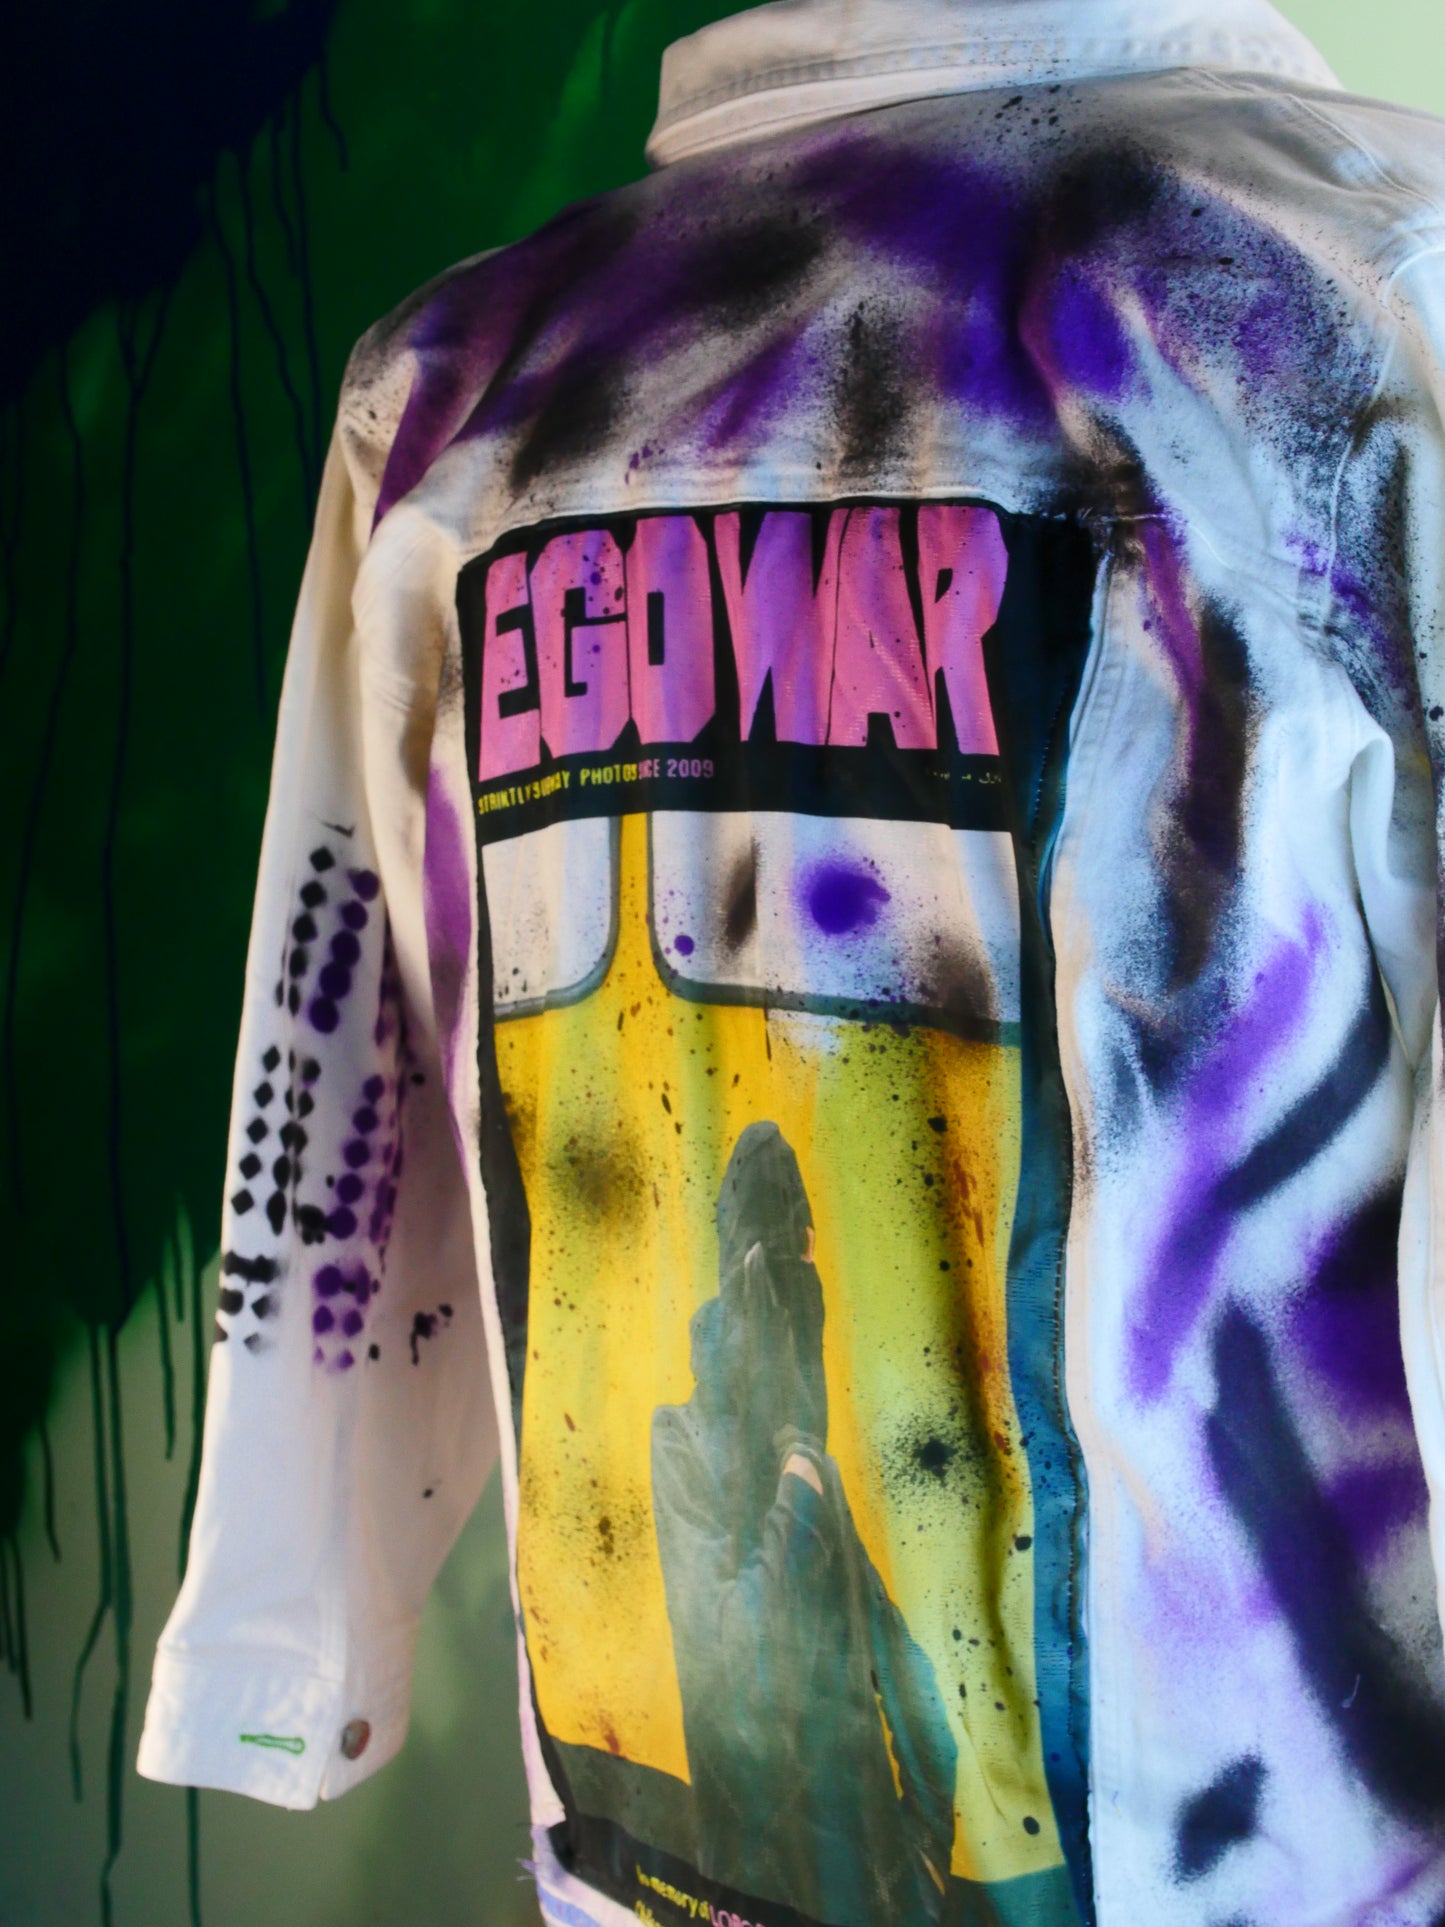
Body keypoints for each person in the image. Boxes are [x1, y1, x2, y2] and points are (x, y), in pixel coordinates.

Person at [652, 1122, 958, 1927]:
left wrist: (923, 1858)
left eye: (807, 1266)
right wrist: (797, 1487)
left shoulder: (811, 1459)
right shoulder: (683, 1442)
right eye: (782, 1268)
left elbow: (908, 1675)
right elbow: (740, 1677)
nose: (798, 1307)